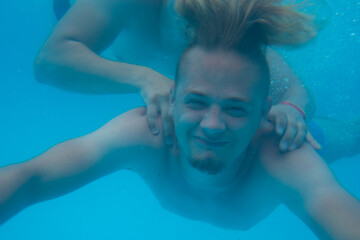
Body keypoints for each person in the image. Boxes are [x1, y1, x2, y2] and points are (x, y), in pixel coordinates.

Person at [2, 1, 360, 238]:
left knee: (322, 138)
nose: (213, 124)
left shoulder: (280, 153)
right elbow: (32, 177)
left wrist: (293, 113)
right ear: (172, 100)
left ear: (261, 113)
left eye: (236, 109)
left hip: (269, 135)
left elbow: (329, 198)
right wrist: (143, 78)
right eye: (196, 103)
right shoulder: (147, 131)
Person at [35, 0, 320, 152]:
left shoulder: (233, 19)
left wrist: (292, 109)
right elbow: (50, 63)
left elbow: (294, 88)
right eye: (191, 22)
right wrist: (142, 78)